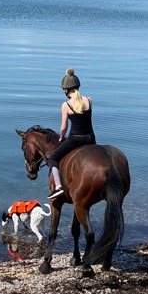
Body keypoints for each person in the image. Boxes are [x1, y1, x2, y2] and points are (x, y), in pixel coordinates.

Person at [48, 68, 96, 199]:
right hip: (91, 138)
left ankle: (58, 187)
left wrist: (62, 137)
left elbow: (64, 127)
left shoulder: (66, 105)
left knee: (53, 158)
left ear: (65, 90)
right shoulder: (89, 100)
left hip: (76, 139)